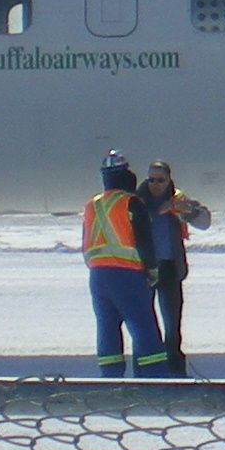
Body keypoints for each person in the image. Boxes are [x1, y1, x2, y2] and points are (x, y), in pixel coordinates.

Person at [83, 153, 170, 376]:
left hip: (98, 276)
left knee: (107, 327)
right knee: (142, 326)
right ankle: (155, 378)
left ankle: (110, 378)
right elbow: (144, 240)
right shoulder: (131, 202)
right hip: (127, 274)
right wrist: (152, 270)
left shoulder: (93, 205)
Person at [135, 159, 212, 376]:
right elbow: (131, 224)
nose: (155, 184)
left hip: (169, 267)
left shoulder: (178, 199)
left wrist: (188, 212)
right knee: (144, 322)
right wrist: (158, 211)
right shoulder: (137, 201)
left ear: (169, 179)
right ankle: (145, 370)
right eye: (151, 180)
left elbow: (205, 221)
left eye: (160, 180)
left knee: (172, 325)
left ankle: (175, 371)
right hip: (144, 269)